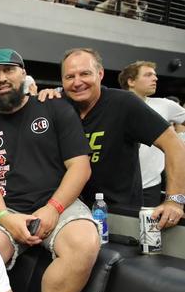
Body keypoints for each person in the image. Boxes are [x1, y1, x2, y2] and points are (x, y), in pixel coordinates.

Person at [0, 48, 99, 292]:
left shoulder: (55, 107)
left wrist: (53, 208)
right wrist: (6, 219)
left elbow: (80, 167)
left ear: (23, 74)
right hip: (5, 209)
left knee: (85, 243)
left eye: (8, 71)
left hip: (58, 203)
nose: (2, 79)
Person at [59, 48, 185, 228]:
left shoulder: (124, 103)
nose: (77, 82)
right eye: (69, 77)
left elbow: (175, 146)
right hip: (71, 214)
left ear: (100, 73)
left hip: (121, 216)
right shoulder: (59, 106)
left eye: (85, 73)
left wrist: (174, 201)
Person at [118, 60, 185, 207]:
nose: (155, 78)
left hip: (150, 187)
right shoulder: (115, 105)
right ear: (131, 81)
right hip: (119, 186)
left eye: (154, 75)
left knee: (149, 229)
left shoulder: (166, 105)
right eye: (148, 75)